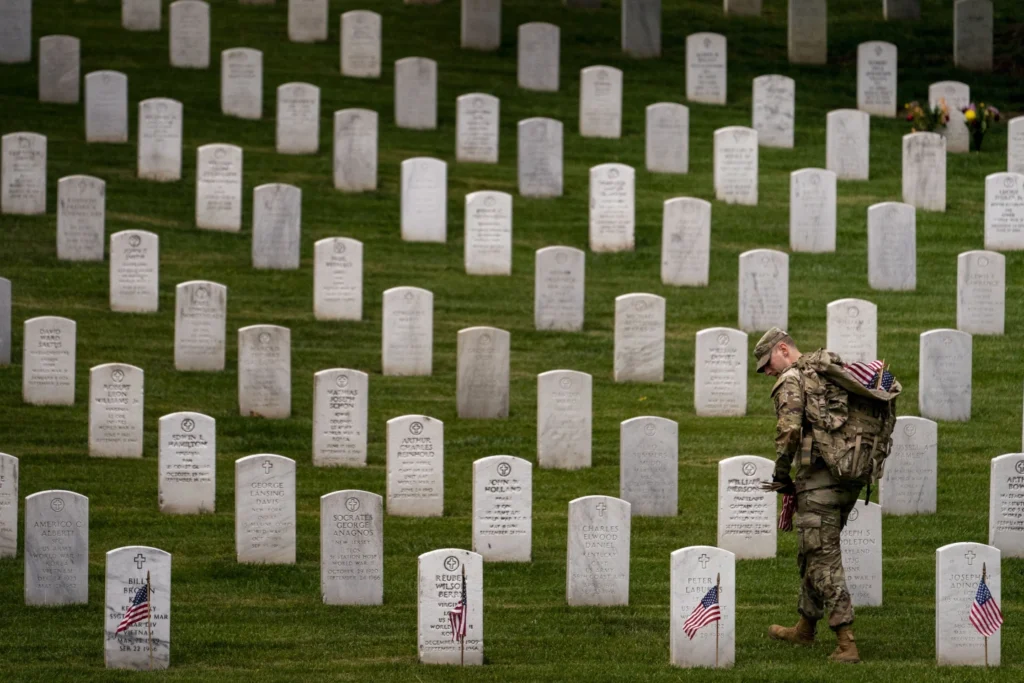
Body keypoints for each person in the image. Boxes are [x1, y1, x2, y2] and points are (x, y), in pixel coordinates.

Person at [753, 327, 862, 664]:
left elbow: (789, 431)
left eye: (766, 362)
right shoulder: (828, 372)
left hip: (819, 480)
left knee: (823, 558)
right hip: (849, 477)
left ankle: (847, 643)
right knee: (811, 552)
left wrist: (781, 475)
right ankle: (805, 627)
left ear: (783, 349)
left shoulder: (792, 380)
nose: (766, 371)